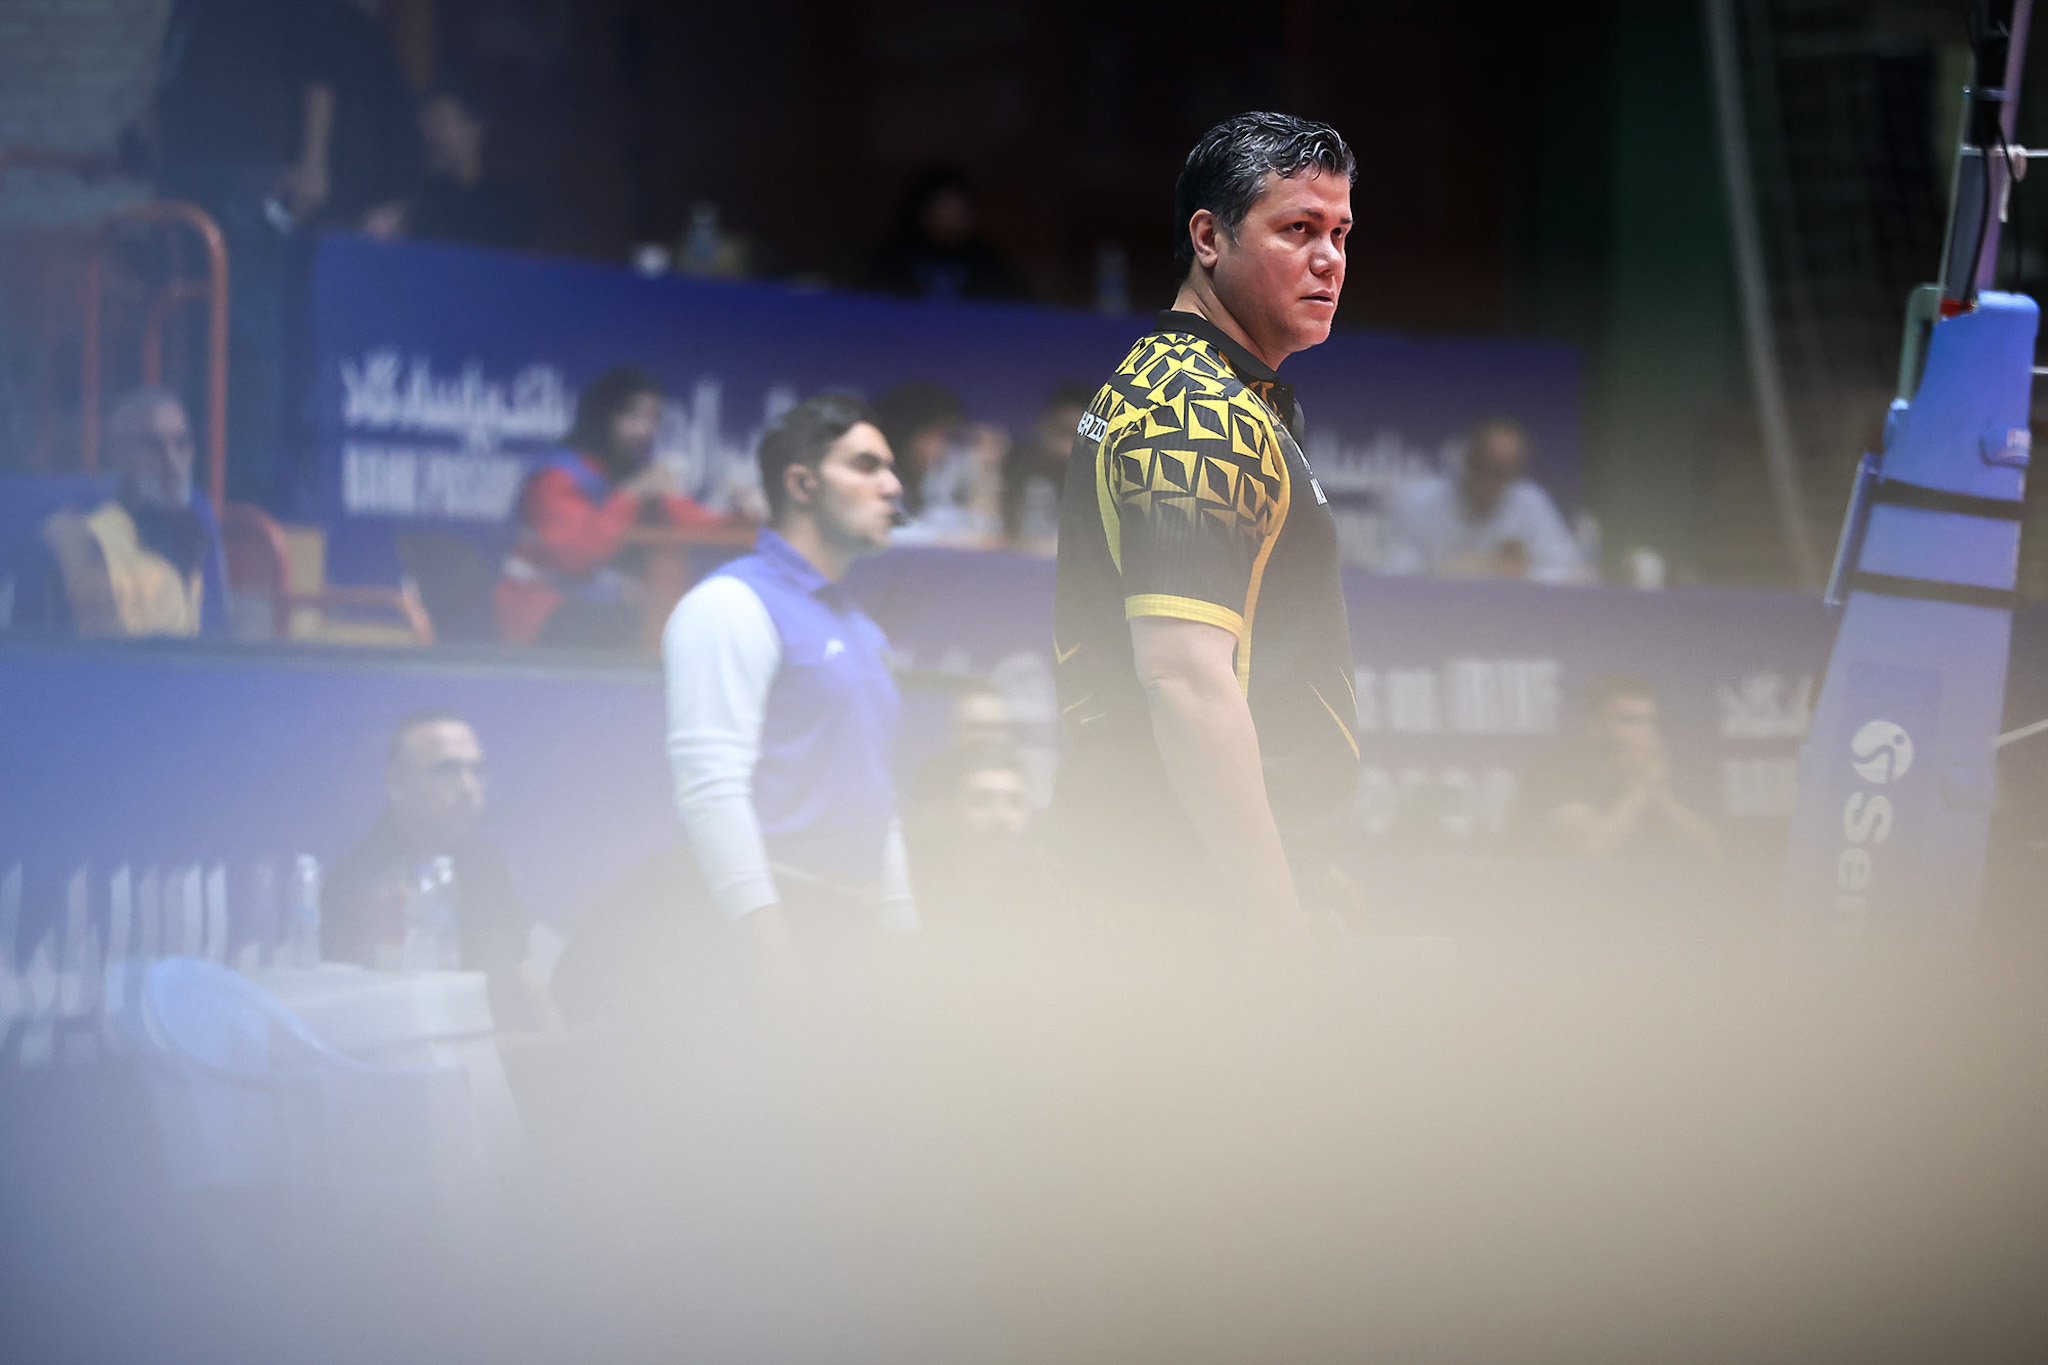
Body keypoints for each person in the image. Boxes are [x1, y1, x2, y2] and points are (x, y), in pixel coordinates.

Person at [1050, 112, 1362, 933]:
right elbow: (1185, 678)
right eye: (1298, 229)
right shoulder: (1193, 412)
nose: (1329, 258)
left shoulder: (1208, 391)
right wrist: (1274, 918)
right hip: (1184, 904)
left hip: (1181, 881)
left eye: (1339, 233)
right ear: (1209, 238)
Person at [661, 393, 916, 977]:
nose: (893, 486)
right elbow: (711, 790)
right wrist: (771, 952)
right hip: (773, 930)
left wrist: (903, 928)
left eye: (890, 468)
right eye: (866, 466)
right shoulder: (728, 605)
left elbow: (878, 795)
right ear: (802, 484)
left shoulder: (863, 630)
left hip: (859, 933)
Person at [321, 710, 556, 1028]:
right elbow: (362, 1024)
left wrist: (565, 1047)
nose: (467, 787)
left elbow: (522, 981)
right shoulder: (357, 882)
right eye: (446, 771)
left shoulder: (485, 863)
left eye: (476, 770)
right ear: (396, 782)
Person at [495, 364, 723, 647]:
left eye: (653, 418)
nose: (644, 430)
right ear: (602, 415)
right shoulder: (555, 477)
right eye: (632, 416)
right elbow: (576, 557)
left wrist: (743, 509)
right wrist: (629, 497)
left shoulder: (636, 472)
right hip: (543, 617)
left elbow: (696, 522)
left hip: (611, 616)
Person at [12, 387, 228, 637]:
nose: (172, 461)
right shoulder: (70, 543)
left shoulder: (197, 535)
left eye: (181, 443)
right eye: (152, 446)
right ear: (117, 455)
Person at [1510, 674, 1720, 861]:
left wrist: (1661, 796)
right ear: (1594, 725)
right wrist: (1642, 788)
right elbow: (1590, 852)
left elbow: (1712, 852)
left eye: (1648, 721)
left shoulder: (1657, 770)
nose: (1643, 732)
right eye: (1629, 721)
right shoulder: (1557, 770)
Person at [1379, 417, 1592, 584]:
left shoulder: (1531, 503)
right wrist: (1442, 573)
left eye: (1504, 472)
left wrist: (1518, 572)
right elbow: (1393, 576)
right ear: (1468, 461)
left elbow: (1572, 572)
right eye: (1487, 467)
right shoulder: (1416, 502)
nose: (1493, 480)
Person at [866, 165, 1029, 304]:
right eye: (941, 213)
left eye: (958, 215)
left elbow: (1019, 308)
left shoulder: (989, 263)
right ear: (921, 212)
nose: (950, 224)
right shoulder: (891, 261)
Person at [405, 81, 534, 249]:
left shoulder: (510, 207)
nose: (428, 135)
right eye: (425, 124)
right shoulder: (418, 204)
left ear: (475, 129)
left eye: (439, 121)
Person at [1000, 381, 1093, 552]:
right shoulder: (1011, 468)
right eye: (1062, 432)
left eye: (1080, 437)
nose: (1068, 447)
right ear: (1043, 427)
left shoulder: (1105, 484)